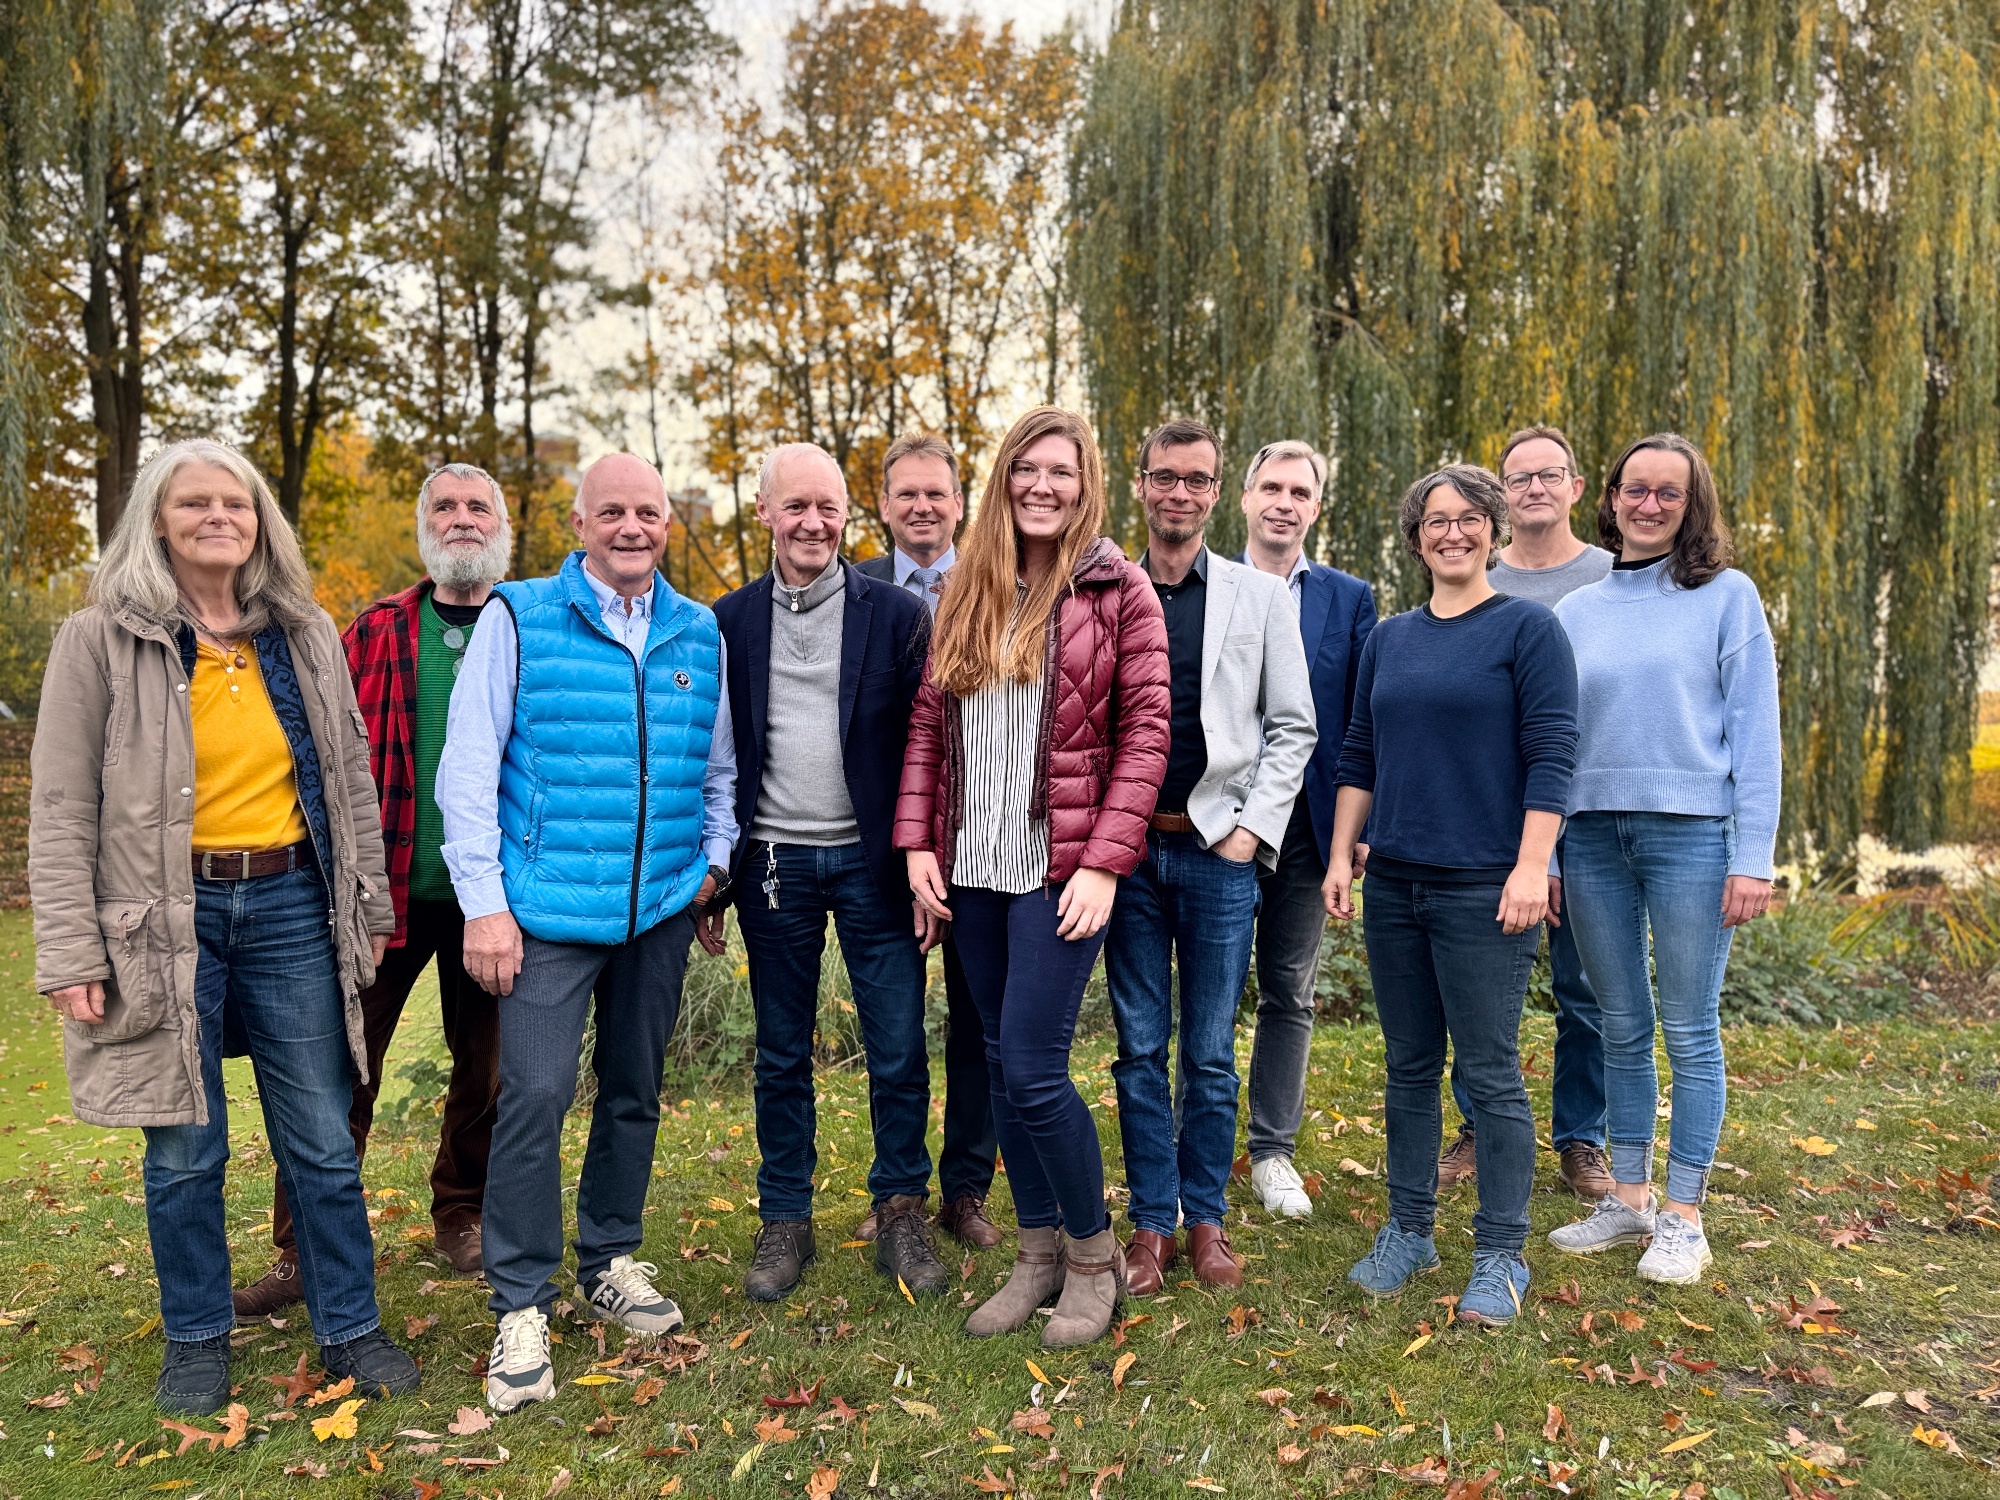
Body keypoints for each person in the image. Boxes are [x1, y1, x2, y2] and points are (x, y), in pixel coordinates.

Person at [31, 440, 421, 1414]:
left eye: (234, 502)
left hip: (290, 903)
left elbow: (349, 783)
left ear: (260, 523)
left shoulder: (301, 633)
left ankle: (349, 1329)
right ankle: (199, 1338)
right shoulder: (99, 639)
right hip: (162, 920)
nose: (217, 515)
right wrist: (73, 948)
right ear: (156, 521)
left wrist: (367, 903)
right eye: (192, 501)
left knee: (323, 1142)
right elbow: (62, 805)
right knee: (183, 1152)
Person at [438, 452, 738, 1413]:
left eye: (648, 512)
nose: (631, 527)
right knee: (533, 1093)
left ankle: (609, 1255)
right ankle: (520, 1301)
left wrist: (714, 868)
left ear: (665, 523)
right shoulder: (517, 617)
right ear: (578, 523)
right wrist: (484, 904)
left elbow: (719, 772)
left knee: (635, 1090)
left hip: (657, 912)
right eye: (611, 512)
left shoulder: (700, 630)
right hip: (547, 913)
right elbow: (469, 771)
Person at [895, 405, 1169, 1347]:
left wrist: (1103, 864)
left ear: (1084, 482)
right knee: (1006, 1069)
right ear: (1004, 479)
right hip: (972, 867)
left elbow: (1146, 737)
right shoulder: (967, 588)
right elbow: (931, 728)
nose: (1041, 486)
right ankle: (1037, 1252)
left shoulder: (1116, 588)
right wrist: (918, 843)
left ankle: (1093, 1259)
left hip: (1063, 869)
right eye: (1026, 469)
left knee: (1040, 1070)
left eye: (1061, 471)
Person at [235, 463, 513, 1317]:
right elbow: (315, 756)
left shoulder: (528, 627)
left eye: (478, 507)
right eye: (445, 506)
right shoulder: (378, 630)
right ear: (424, 526)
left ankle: (462, 1213)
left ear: (504, 527)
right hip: (379, 891)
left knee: (488, 1074)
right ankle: (303, 1244)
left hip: (494, 899)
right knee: (337, 1072)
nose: (462, 519)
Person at [1325, 463, 1578, 1325]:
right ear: (1416, 536)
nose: (1454, 532)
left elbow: (1553, 756)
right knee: (1407, 1067)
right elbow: (1359, 753)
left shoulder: (1528, 631)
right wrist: (1337, 858)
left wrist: (1530, 867)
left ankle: (1502, 1252)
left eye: (1471, 518)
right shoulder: (1390, 638)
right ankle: (1409, 1229)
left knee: (1490, 1073)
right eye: (1437, 520)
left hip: (1486, 889)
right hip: (1395, 882)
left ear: (1495, 530)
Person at [1544, 433, 1779, 1284]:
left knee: (1688, 1025)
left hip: (1693, 838)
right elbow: (1559, 745)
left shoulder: (1727, 598)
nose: (1647, 505)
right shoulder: (1576, 613)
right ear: (1608, 499)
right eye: (1633, 490)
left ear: (1692, 506)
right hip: (1593, 838)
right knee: (1619, 1023)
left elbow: (1757, 736)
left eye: (1667, 494)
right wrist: (1553, 854)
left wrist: (1752, 855)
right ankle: (1630, 1197)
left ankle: (1683, 1215)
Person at [715, 442, 942, 1303]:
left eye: (829, 507)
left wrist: (927, 858)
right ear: (765, 513)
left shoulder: (894, 616)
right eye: (796, 506)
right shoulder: (729, 621)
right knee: (781, 1049)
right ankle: (785, 1218)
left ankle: (900, 1210)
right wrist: (717, 878)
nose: (814, 523)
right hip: (773, 861)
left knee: (896, 1044)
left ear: (849, 516)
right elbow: (716, 756)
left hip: (874, 860)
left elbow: (930, 747)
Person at [1106, 420, 1315, 1295]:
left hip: (1217, 853)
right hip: (1126, 855)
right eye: (1166, 478)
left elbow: (1291, 725)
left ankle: (1206, 1221)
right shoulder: (1105, 588)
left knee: (1211, 1053)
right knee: (1138, 1046)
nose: (1180, 494)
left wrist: (1250, 832)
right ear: (1142, 484)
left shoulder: (1258, 597)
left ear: (1216, 493)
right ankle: (1151, 1224)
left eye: (1197, 480)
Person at [1436, 426, 1615, 1201]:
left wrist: (1560, 853)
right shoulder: (1474, 579)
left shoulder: (1617, 579)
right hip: (1487, 838)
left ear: (1577, 487)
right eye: (1519, 477)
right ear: (1500, 500)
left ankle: (1583, 1139)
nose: (1535, 487)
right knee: (1479, 999)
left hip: (1591, 832)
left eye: (1551, 474)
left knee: (1586, 992)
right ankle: (1478, 1124)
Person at [852, 434, 1002, 1250]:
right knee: (896, 1026)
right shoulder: (857, 592)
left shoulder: (995, 582)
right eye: (906, 494)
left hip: (982, 840)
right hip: (890, 846)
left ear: (958, 501)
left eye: (936, 494)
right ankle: (897, 1189)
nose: (922, 507)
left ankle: (968, 1189)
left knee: (979, 1021)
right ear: (884, 504)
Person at [1235, 439, 1376, 1218]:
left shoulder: (1349, 599)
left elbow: (1362, 718)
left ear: (1316, 508)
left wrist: (1361, 828)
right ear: (1246, 499)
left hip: (1309, 828)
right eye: (1272, 487)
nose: (1285, 502)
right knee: (1212, 992)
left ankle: (1271, 1150)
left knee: (1288, 989)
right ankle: (1194, 1140)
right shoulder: (1207, 585)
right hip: (1217, 826)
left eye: (1301, 491)